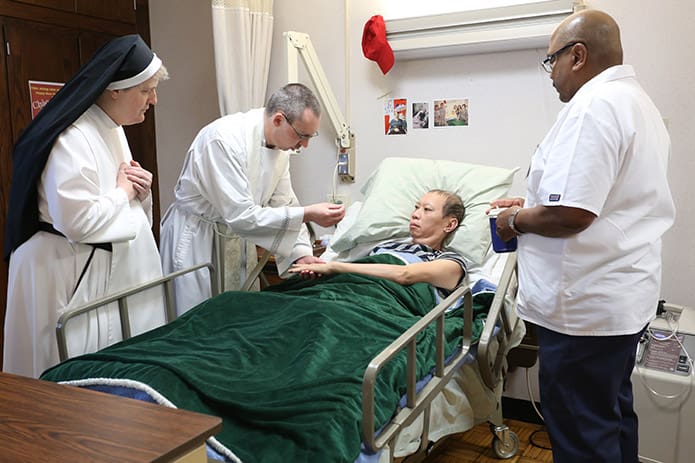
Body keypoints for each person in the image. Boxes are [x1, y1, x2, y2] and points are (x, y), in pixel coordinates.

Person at [491, 9, 675, 463]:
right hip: (616, 302)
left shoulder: (594, 106)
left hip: (582, 312)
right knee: (610, 417)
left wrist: (514, 222)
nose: (550, 75)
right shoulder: (636, 103)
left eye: (550, 61)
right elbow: (600, 200)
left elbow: (573, 214)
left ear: (577, 55)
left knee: (581, 436)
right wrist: (531, 205)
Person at [3, 35, 169, 378]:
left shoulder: (111, 127)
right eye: (146, 90)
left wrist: (140, 191)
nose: (153, 100)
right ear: (116, 90)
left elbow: (116, 197)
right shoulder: (72, 137)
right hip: (63, 268)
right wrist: (124, 192)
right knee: (56, 371)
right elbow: (76, 221)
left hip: (91, 263)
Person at [160, 83, 346, 316]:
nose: (305, 145)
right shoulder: (223, 140)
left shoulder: (280, 148)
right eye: (302, 135)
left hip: (236, 241)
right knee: (195, 320)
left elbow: (285, 203)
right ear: (279, 119)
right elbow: (240, 215)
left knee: (237, 320)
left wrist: (302, 255)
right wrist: (308, 213)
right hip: (198, 243)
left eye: (310, 137)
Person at [290, 189, 466, 293]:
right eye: (416, 207)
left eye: (427, 210)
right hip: (347, 290)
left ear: (450, 224)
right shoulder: (383, 245)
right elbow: (363, 266)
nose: (415, 214)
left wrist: (334, 267)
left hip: (382, 302)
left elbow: (405, 274)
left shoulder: (451, 261)